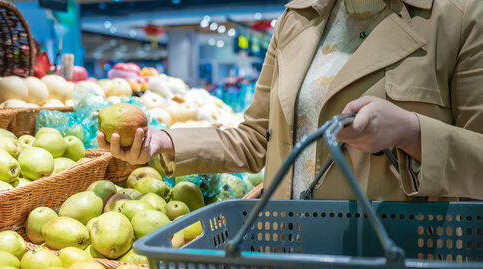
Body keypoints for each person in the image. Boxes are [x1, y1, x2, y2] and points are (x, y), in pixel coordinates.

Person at [98, 0, 483, 201]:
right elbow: (256, 140)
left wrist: (410, 132)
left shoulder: (459, 17)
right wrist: (164, 142)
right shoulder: (297, 18)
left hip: (392, 264)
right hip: (289, 251)